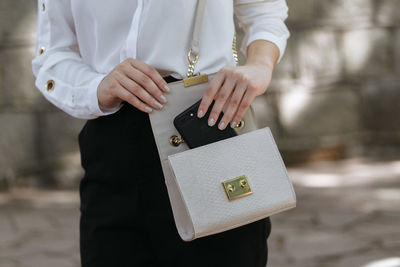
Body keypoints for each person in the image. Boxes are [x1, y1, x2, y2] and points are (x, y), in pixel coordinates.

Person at [32, 1, 290, 266]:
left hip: (205, 131)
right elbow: (52, 52)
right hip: (113, 145)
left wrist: (260, 65)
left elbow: (263, 8)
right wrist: (95, 86)